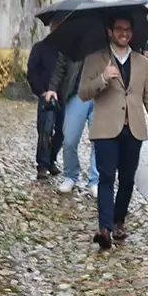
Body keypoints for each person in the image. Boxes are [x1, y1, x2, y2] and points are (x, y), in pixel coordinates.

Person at [78, 14, 148, 250]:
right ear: (110, 31)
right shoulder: (96, 58)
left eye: (128, 29)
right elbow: (84, 92)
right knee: (106, 177)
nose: (124, 33)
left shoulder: (142, 62)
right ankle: (104, 229)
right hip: (106, 128)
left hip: (134, 128)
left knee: (127, 179)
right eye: (119, 29)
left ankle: (119, 220)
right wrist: (103, 78)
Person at [50, 50, 100, 197]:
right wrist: (52, 88)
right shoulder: (73, 43)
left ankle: (95, 179)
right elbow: (60, 67)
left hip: (101, 95)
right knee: (69, 139)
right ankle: (70, 175)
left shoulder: (107, 42)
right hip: (76, 94)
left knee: (99, 140)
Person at [27, 21, 64, 179]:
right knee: (45, 130)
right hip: (46, 97)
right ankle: (42, 164)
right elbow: (32, 70)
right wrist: (41, 92)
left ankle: (51, 159)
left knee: (62, 132)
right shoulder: (40, 48)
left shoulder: (67, 51)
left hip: (63, 97)